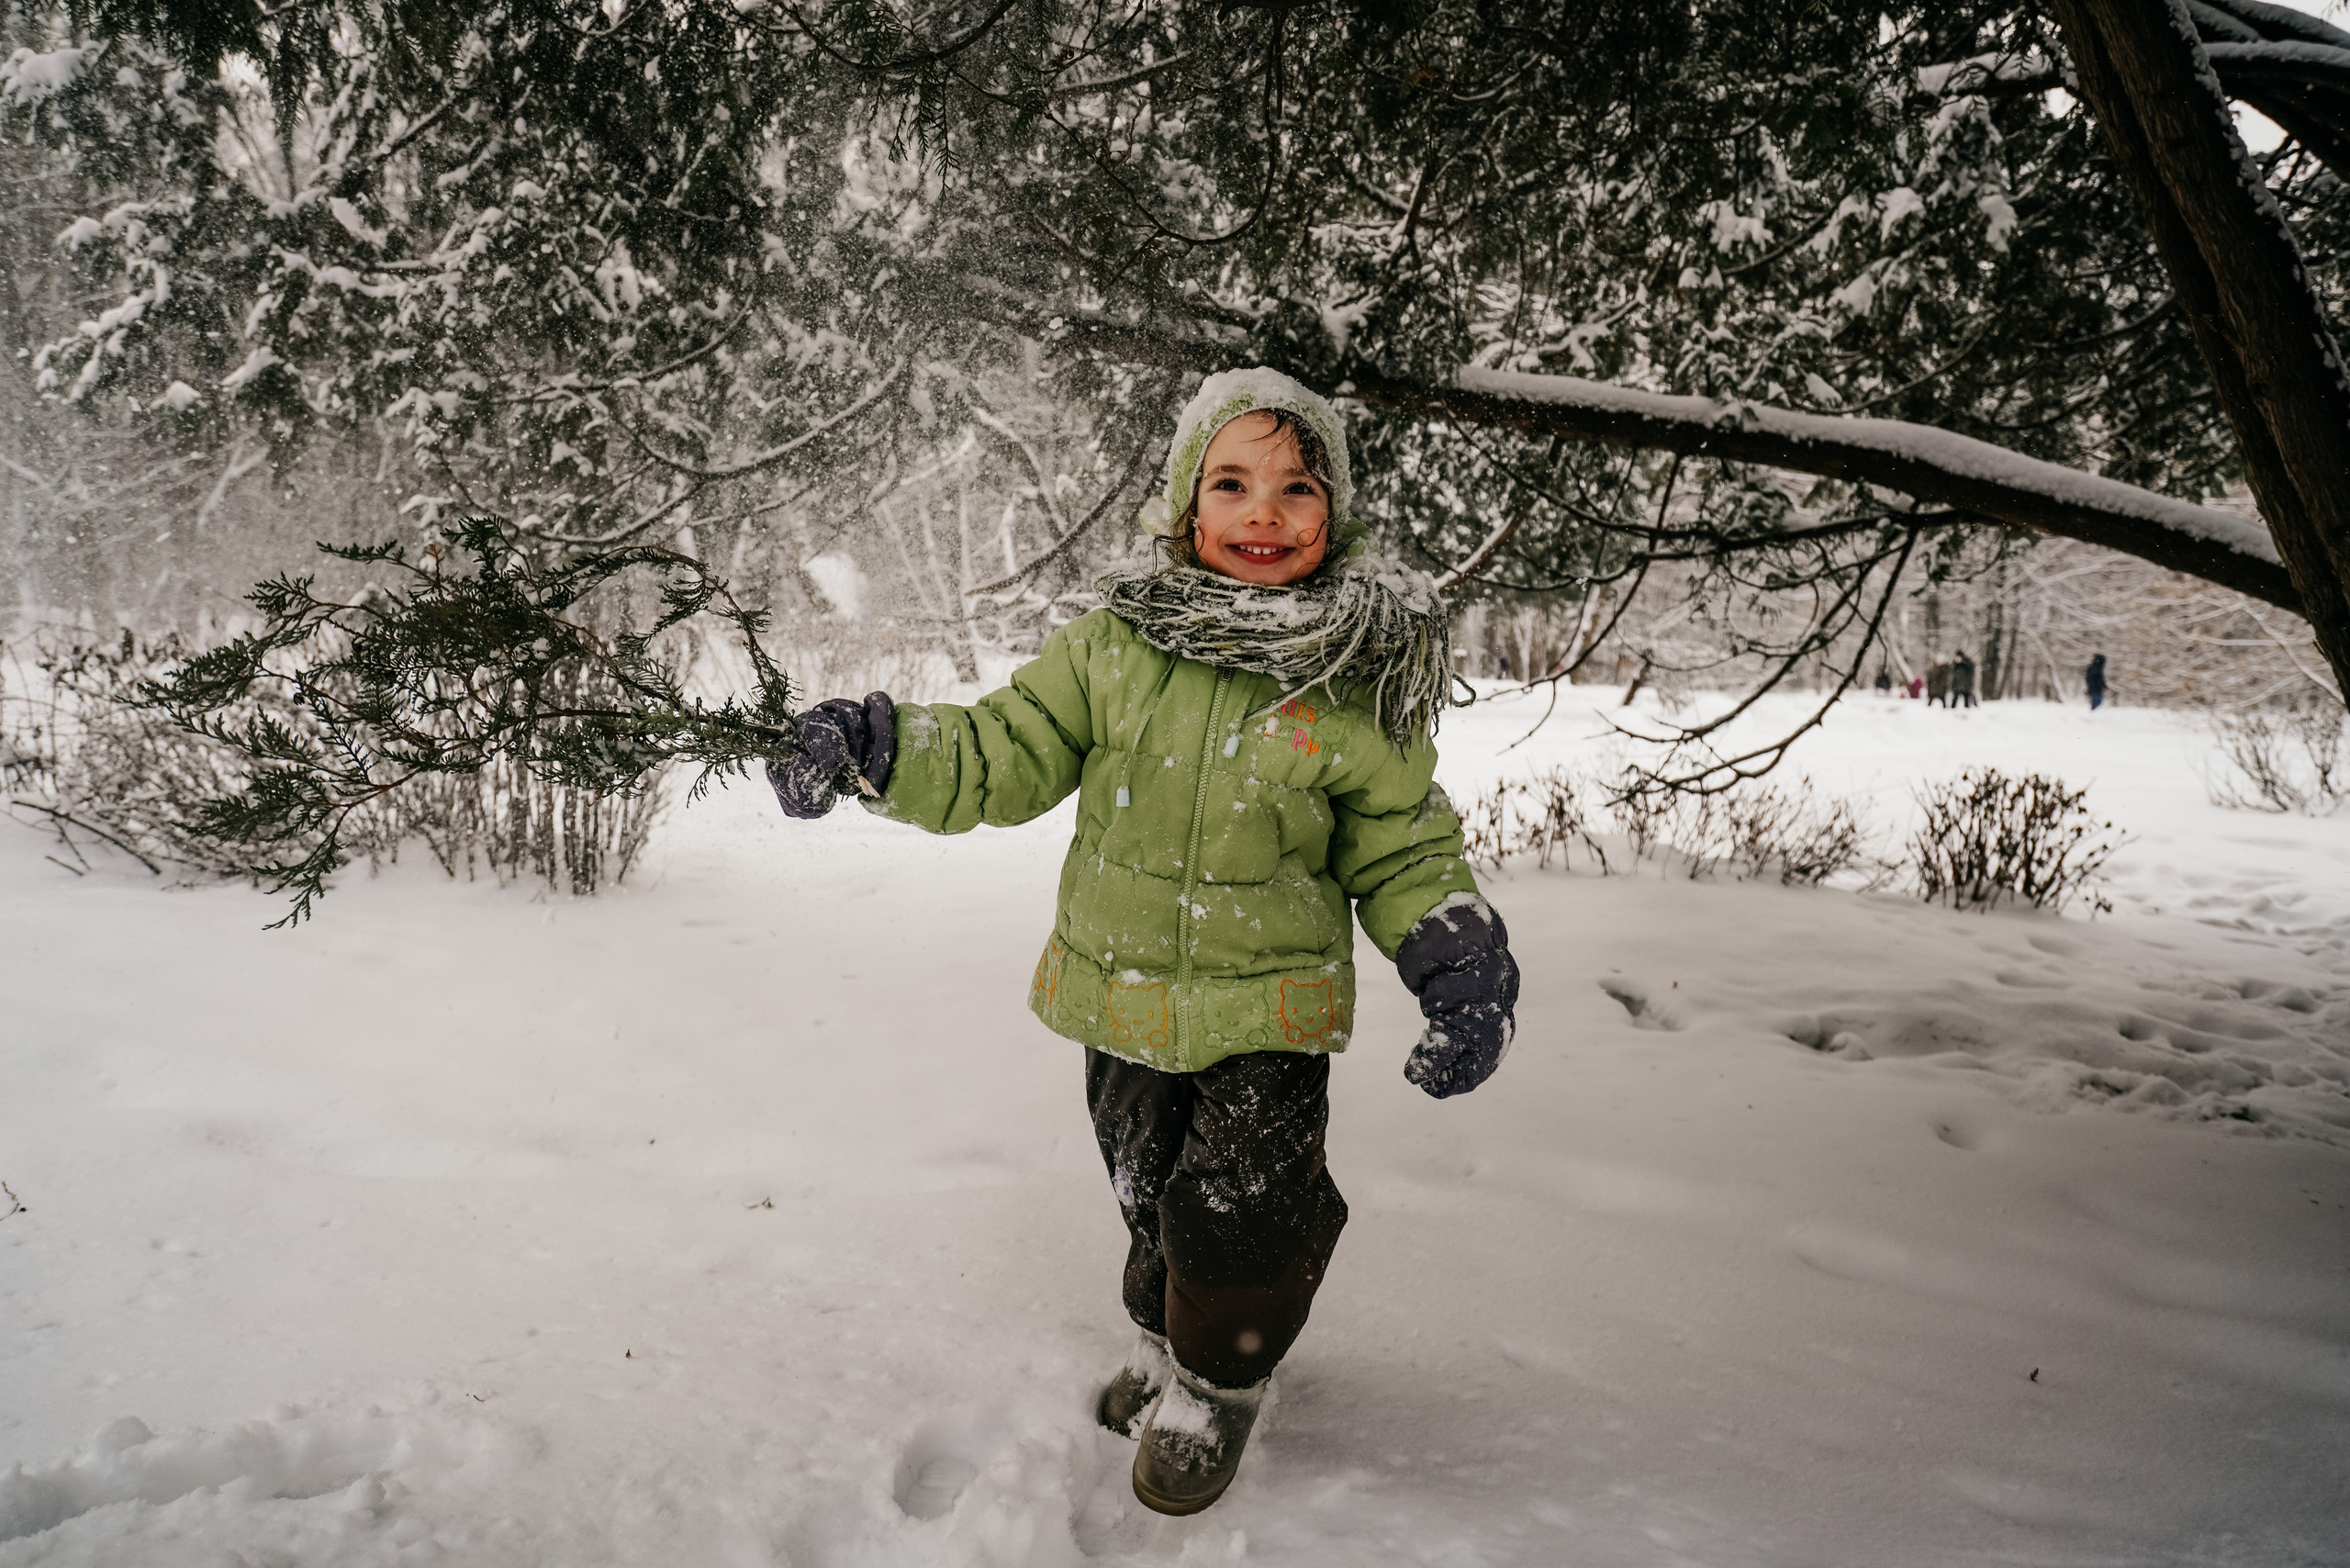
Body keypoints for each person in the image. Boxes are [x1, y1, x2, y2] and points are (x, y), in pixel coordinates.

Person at [765, 369, 1518, 1517]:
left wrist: (1455, 957)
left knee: (1243, 1207)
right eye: (1231, 483)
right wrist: (880, 745)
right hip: (1119, 998)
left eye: (1295, 486)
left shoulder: (1349, 682)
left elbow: (1402, 844)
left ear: (1335, 513)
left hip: (1267, 1009)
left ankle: (1217, 1380)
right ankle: (1167, 1338)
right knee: (1150, 1190)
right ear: (1185, 507)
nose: (1263, 512)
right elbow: (1000, 747)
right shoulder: (1114, 649)